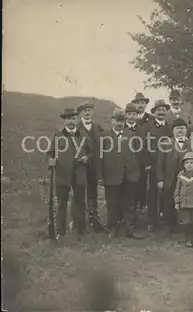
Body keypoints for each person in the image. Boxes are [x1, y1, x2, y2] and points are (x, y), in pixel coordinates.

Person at [96, 109, 143, 239]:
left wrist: (136, 172)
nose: (119, 124)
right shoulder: (103, 136)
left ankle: (130, 229)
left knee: (129, 203)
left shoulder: (132, 135)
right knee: (112, 203)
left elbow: (139, 156)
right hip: (111, 176)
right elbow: (99, 158)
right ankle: (113, 228)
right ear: (112, 121)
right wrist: (100, 177)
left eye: (122, 121)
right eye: (117, 121)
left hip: (130, 175)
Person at [47, 108, 92, 240]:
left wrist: (87, 158)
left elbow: (91, 152)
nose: (71, 121)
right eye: (68, 118)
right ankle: (61, 231)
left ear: (77, 119)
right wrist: (51, 161)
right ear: (64, 120)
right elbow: (50, 153)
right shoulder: (57, 135)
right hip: (62, 174)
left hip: (80, 173)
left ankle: (80, 229)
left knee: (79, 202)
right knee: (61, 202)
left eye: (73, 118)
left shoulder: (83, 135)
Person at [137, 99, 172, 231]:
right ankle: (152, 221)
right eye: (158, 110)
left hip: (167, 166)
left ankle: (166, 219)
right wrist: (146, 164)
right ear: (154, 112)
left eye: (163, 110)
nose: (161, 112)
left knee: (167, 193)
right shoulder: (147, 127)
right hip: (152, 166)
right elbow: (141, 147)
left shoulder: (170, 127)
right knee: (152, 194)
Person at [157, 118, 193, 234]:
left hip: (186, 179)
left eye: (182, 129)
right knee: (169, 202)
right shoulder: (166, 143)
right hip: (170, 178)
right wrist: (160, 179)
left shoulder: (191, 143)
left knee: (185, 201)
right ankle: (169, 225)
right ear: (173, 131)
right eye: (177, 129)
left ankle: (184, 225)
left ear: (186, 130)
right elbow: (160, 162)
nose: (180, 131)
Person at [76, 100, 106, 233]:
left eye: (89, 110)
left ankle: (94, 219)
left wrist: (90, 157)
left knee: (93, 193)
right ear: (80, 113)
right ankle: (79, 222)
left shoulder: (97, 126)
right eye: (84, 110)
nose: (87, 113)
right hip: (80, 166)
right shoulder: (76, 127)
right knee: (79, 193)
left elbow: (101, 146)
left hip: (94, 165)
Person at [132, 92, 152, 212]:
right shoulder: (129, 118)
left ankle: (144, 209)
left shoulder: (150, 119)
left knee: (145, 185)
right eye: (138, 103)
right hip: (132, 157)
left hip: (145, 158)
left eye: (143, 103)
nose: (140, 105)